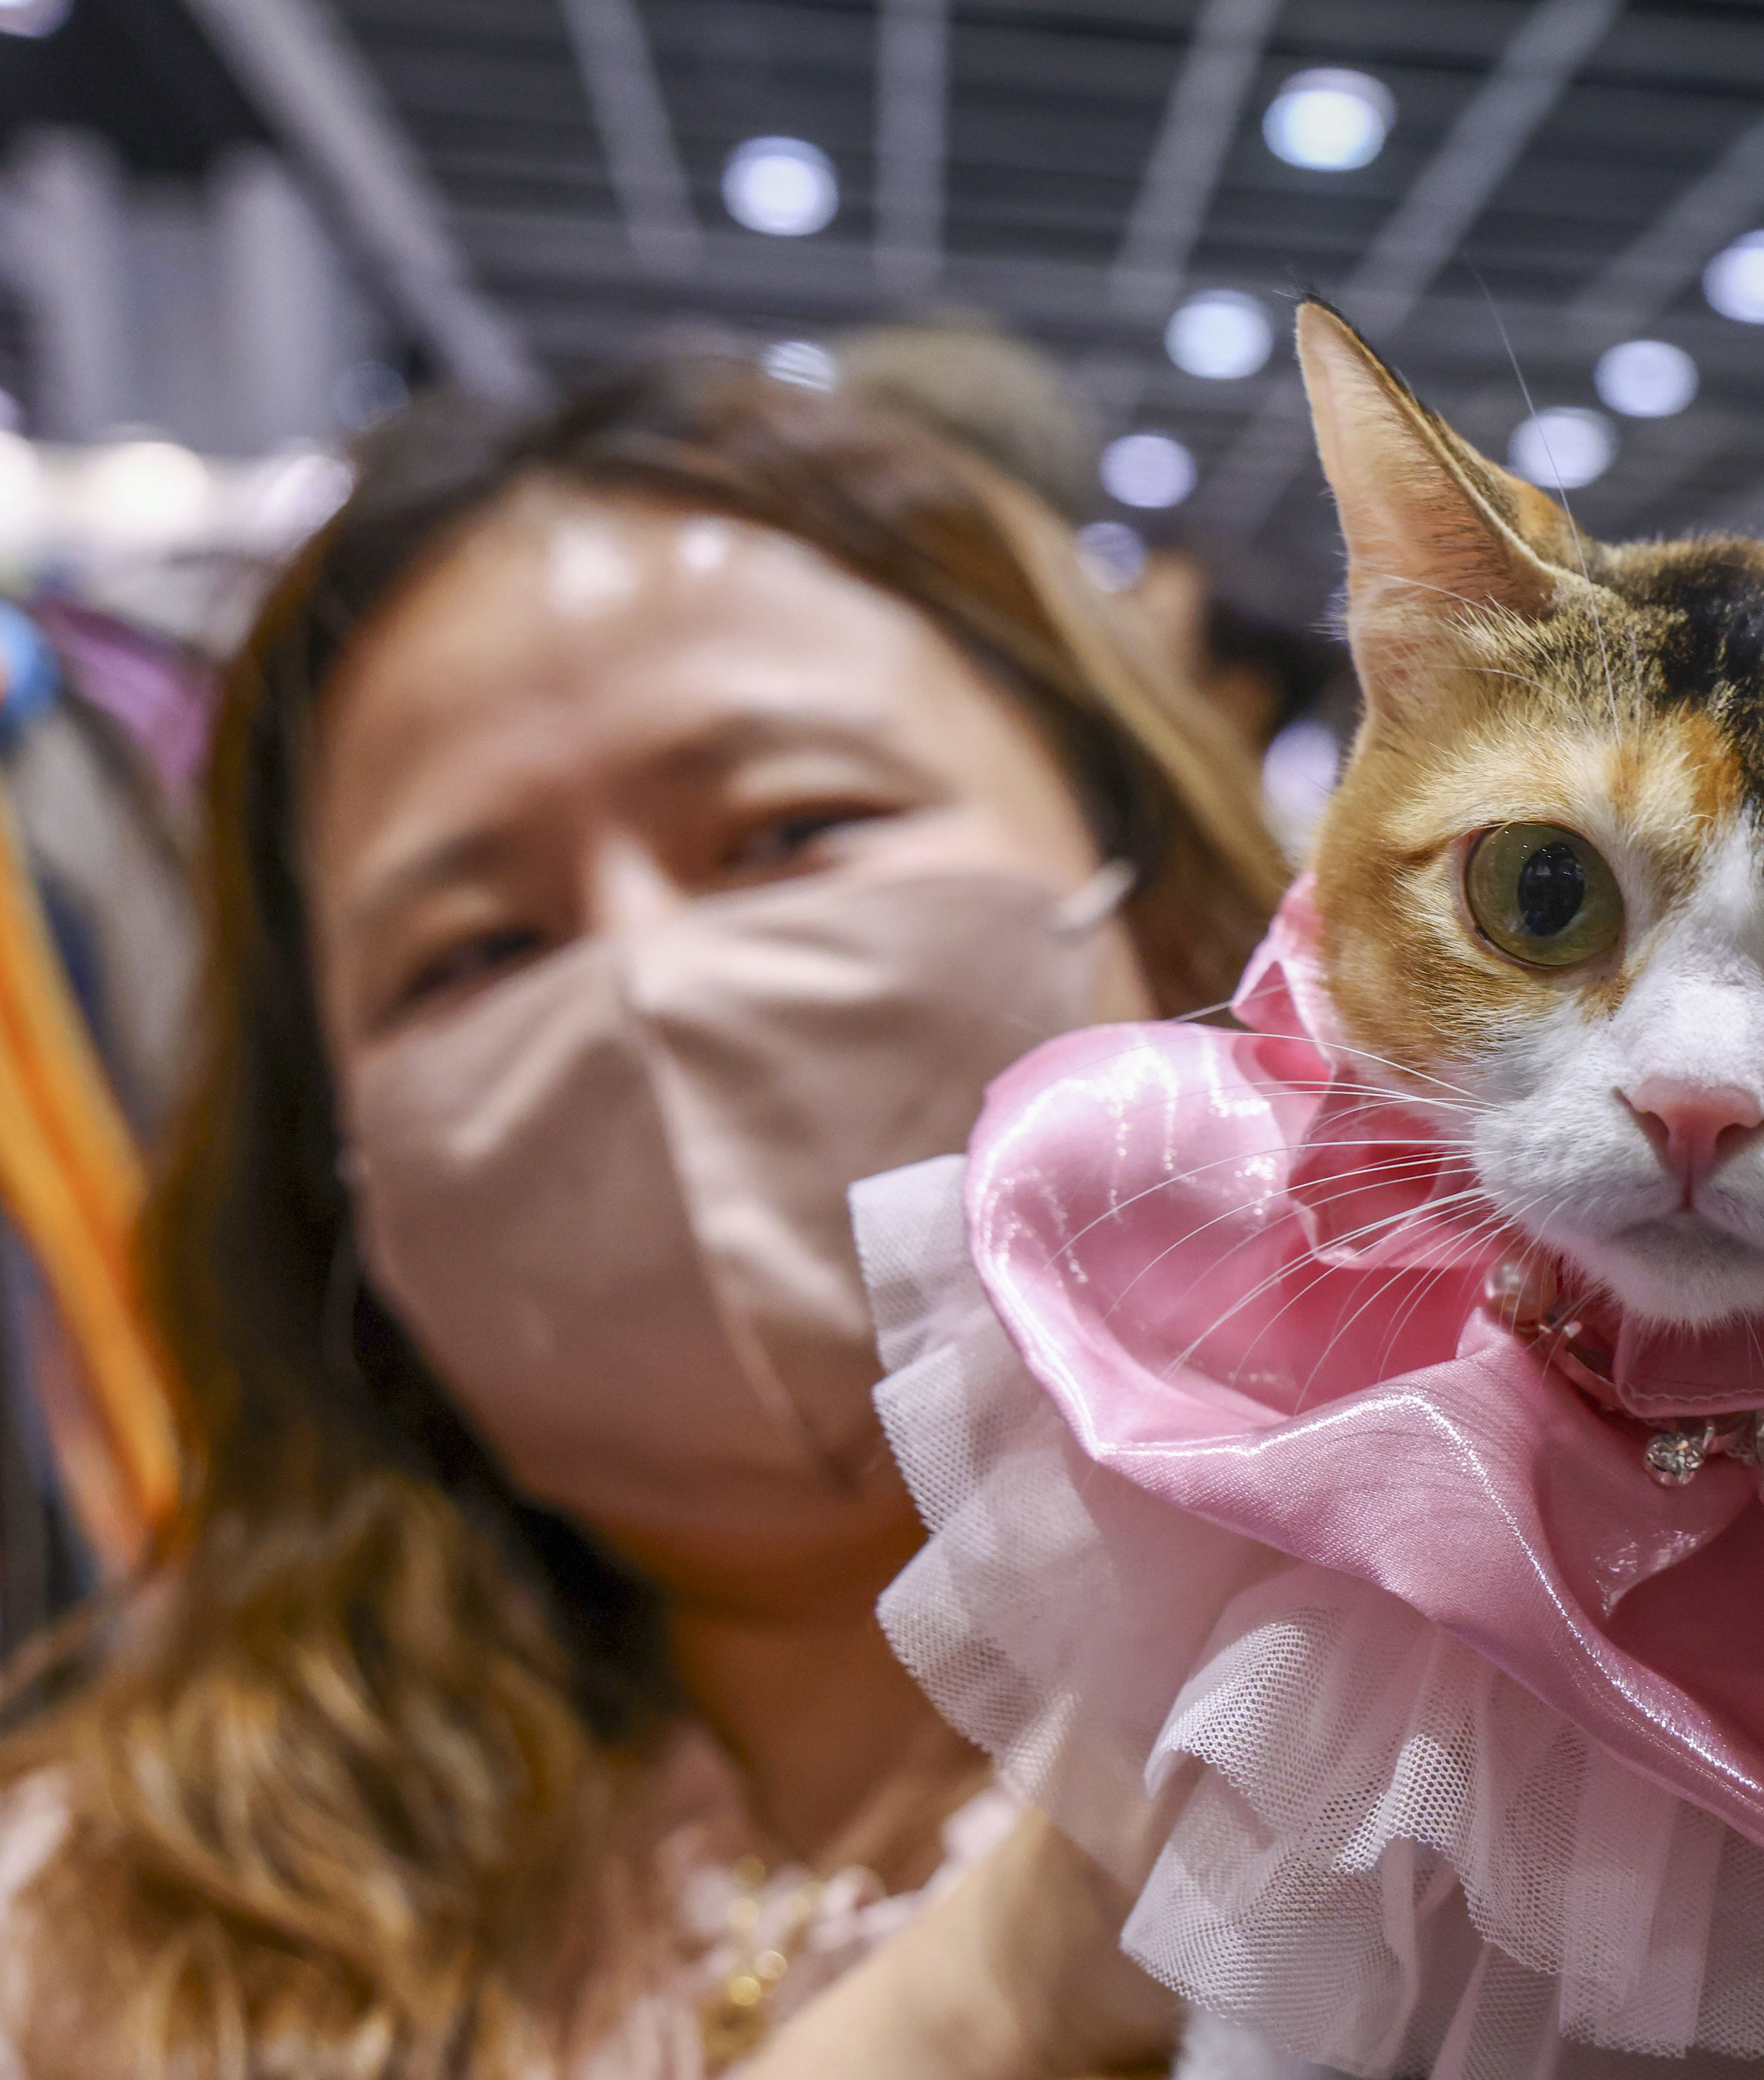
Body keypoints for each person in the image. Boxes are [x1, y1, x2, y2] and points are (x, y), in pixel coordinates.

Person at [0, 355, 1281, 2075]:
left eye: (789, 830)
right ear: (339, 1177)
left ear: (1161, 910)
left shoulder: (1543, 1753)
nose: (647, 991)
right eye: (475, 949)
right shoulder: (93, 1925)